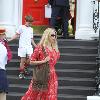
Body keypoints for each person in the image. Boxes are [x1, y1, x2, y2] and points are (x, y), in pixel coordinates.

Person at [21, 27, 60, 100]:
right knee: (34, 95)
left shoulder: (55, 49)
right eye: (52, 35)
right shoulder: (40, 48)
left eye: (55, 35)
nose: (54, 37)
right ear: (47, 36)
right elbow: (31, 61)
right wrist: (43, 61)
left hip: (52, 76)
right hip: (41, 76)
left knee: (50, 97)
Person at [0, 28, 11, 100]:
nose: (5, 36)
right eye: (4, 34)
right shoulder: (3, 47)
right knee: (2, 95)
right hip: (1, 71)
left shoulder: (3, 46)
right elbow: (6, 59)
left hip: (1, 70)